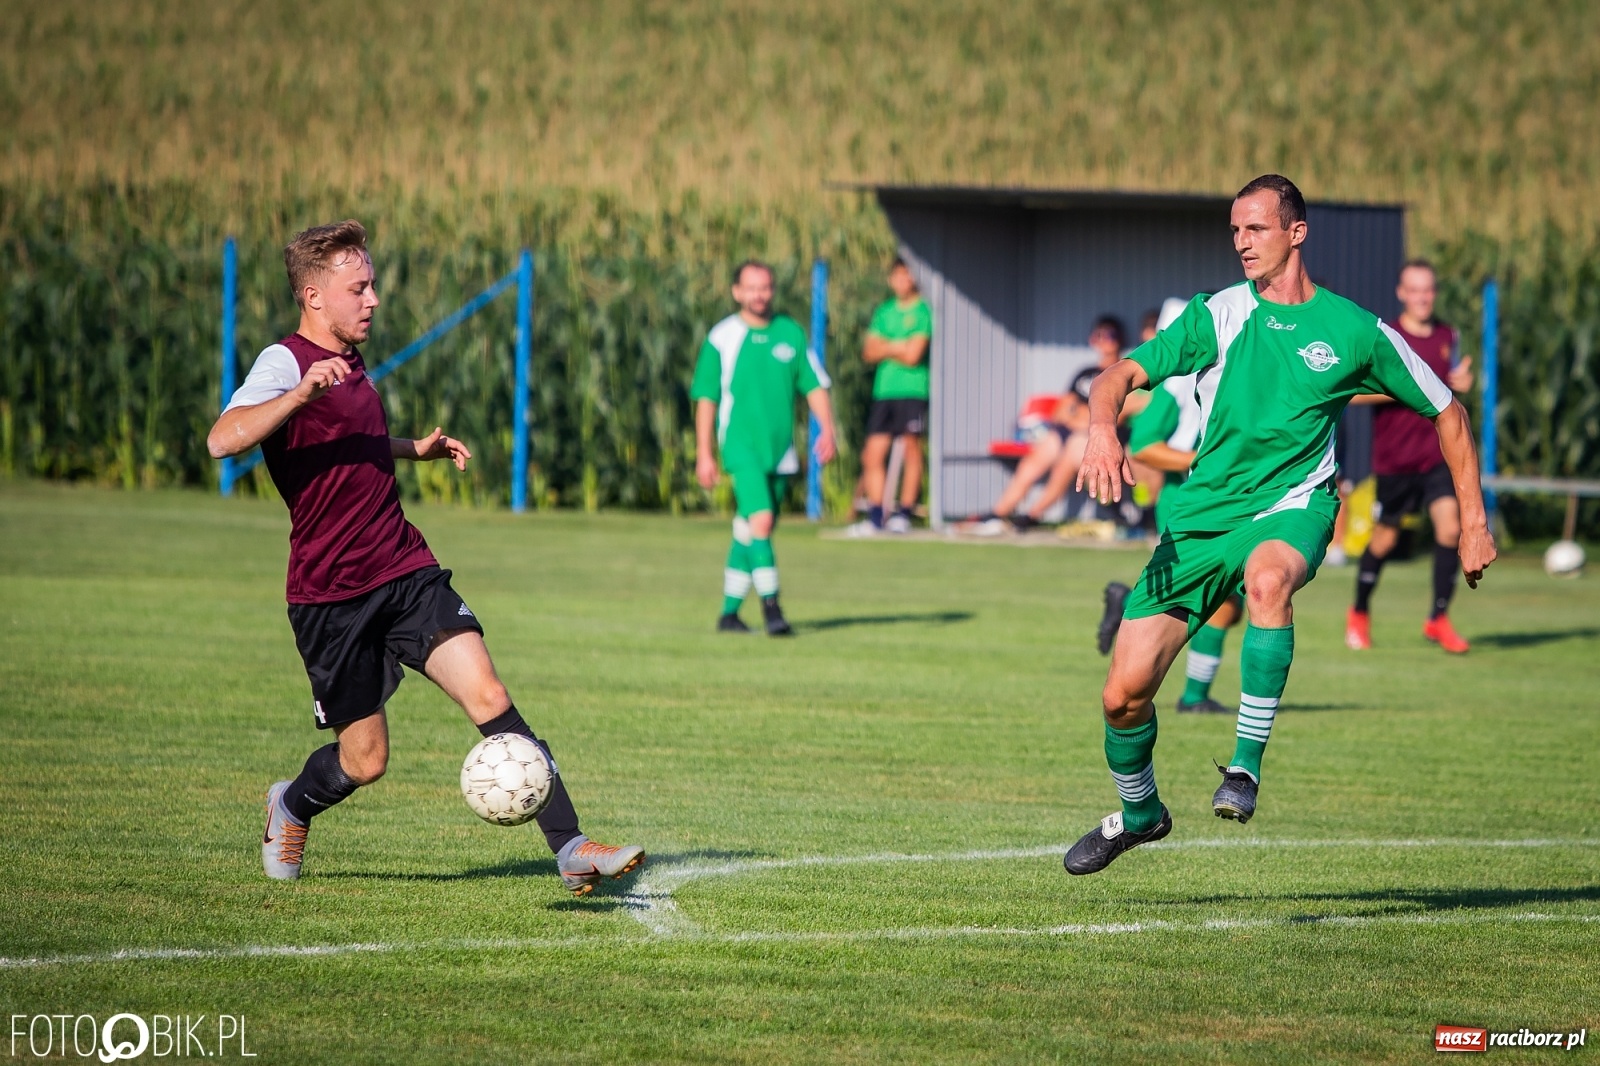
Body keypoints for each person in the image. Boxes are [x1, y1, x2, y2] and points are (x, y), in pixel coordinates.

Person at [1063, 175, 1496, 876]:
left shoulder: (1355, 329)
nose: (1241, 242)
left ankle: (1245, 767)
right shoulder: (1218, 315)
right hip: (1202, 519)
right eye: (1235, 230)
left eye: (1256, 228)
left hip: (1294, 504)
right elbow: (1117, 376)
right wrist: (1102, 431)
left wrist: (1473, 521)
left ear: (1297, 232)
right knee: (1122, 695)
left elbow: (1448, 409)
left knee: (1268, 582)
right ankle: (1142, 815)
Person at [206, 221, 643, 893]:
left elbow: (348, 441)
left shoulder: (351, 359)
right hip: (332, 595)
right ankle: (291, 803)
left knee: (490, 695)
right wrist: (297, 393)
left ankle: (572, 847)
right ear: (314, 296)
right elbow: (222, 440)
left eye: (374, 284)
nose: (374, 299)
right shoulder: (286, 361)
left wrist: (412, 448)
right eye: (359, 288)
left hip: (404, 568)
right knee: (366, 759)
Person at [1097, 299, 1243, 715]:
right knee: (1216, 602)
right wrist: (1200, 461)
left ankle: (1127, 605)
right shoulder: (1178, 386)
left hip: (1225, 504)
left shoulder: (1238, 377)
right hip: (1188, 504)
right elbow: (1144, 445)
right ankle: (1194, 696)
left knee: (1225, 606)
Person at [692, 260, 837, 635]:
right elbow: (706, 397)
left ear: (773, 290)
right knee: (763, 521)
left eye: (765, 287)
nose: (759, 295)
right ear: (737, 292)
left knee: (749, 529)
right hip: (741, 446)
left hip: (780, 449)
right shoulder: (722, 337)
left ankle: (729, 614)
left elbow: (814, 384)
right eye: (751, 288)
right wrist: (704, 452)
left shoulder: (790, 333)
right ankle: (773, 611)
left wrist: (829, 429)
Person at [1346, 259, 1477, 653]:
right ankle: (1359, 612)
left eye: (1429, 290)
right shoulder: (1385, 336)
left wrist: (1463, 384)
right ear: (1401, 293)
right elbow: (1352, 394)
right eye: (1414, 290)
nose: (1422, 297)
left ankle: (1438, 618)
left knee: (1450, 530)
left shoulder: (1447, 336)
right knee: (1384, 540)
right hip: (1395, 460)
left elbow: (1450, 391)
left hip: (1437, 457)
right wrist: (1404, 389)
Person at [970, 315, 1128, 535]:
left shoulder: (1123, 372)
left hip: (1094, 435)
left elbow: (1118, 413)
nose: (1104, 341)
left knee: (1068, 456)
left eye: (1110, 335)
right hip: (1072, 430)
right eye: (1099, 335)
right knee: (1036, 457)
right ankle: (998, 513)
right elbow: (1060, 412)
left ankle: (1031, 516)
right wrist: (1080, 416)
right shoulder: (1085, 373)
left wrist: (1083, 416)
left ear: (1119, 339)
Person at [849, 257, 932, 536]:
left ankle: (904, 513)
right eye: (897, 275)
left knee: (911, 450)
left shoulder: (923, 311)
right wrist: (898, 344)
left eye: (907, 275)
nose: (902, 280)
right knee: (872, 454)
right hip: (885, 391)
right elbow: (869, 351)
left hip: (913, 391)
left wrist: (888, 346)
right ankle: (876, 515)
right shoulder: (885, 311)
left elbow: (913, 355)